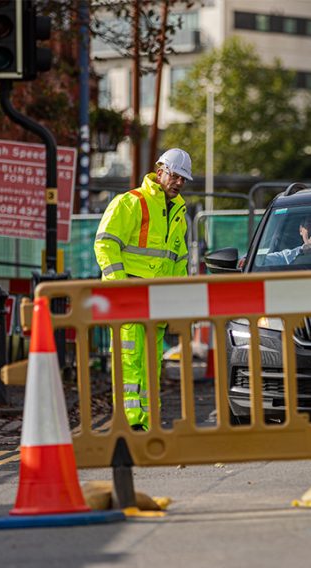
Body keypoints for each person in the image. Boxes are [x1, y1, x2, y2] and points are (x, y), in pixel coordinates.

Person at [94, 148, 192, 430]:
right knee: (130, 361)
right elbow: (105, 244)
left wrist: (179, 304)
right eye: (175, 176)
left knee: (151, 365)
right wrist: (121, 286)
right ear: (160, 171)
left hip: (156, 302)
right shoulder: (131, 202)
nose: (179, 183)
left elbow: (179, 262)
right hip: (129, 297)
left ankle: (148, 424)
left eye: (183, 179)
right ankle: (130, 423)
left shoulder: (178, 214)